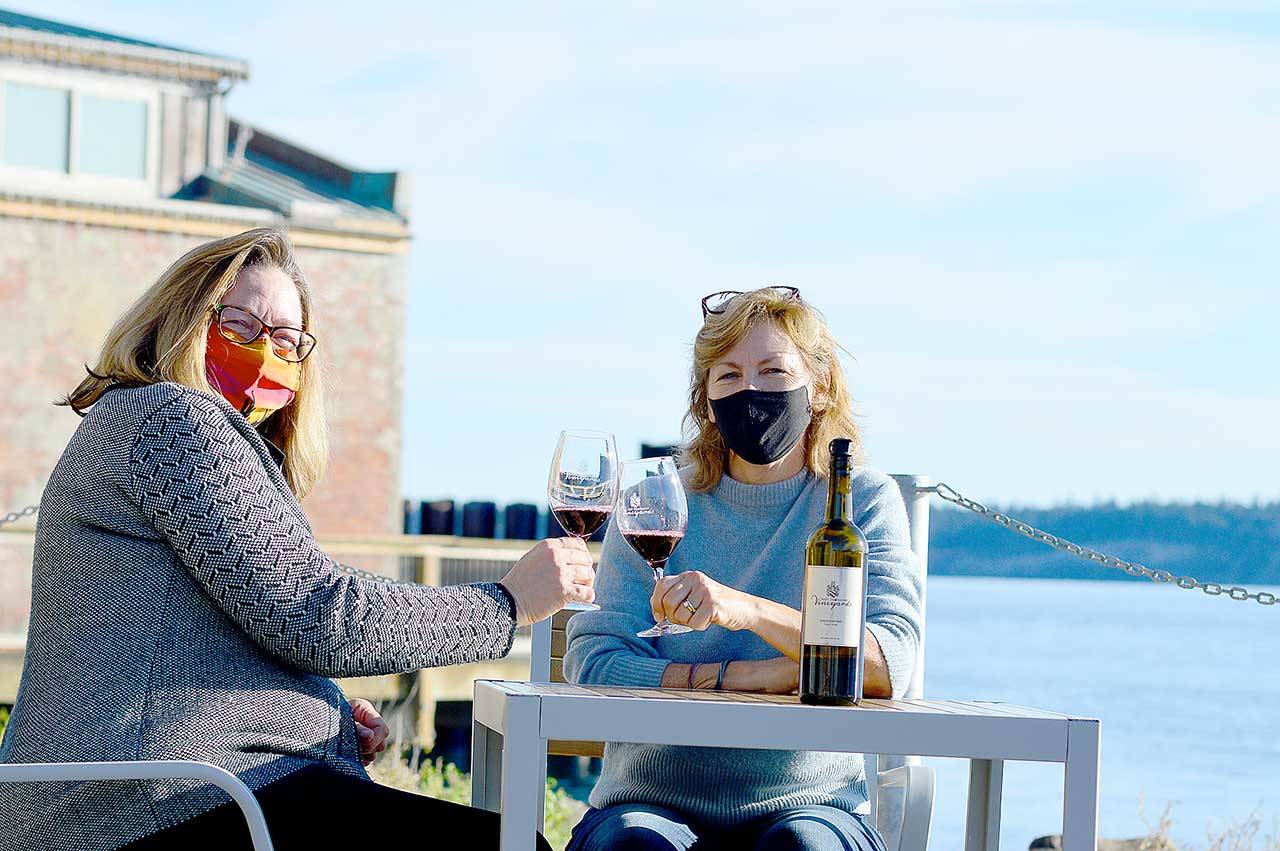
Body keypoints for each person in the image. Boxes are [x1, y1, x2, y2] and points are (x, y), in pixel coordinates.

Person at [0, 228, 589, 851]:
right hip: (155, 803)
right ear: (180, 324)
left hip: (125, 791)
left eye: (286, 340)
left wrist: (325, 714)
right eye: (239, 326)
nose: (265, 352)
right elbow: (316, 614)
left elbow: (205, 625)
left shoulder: (137, 421)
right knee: (512, 844)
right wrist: (508, 602)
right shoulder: (175, 420)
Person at [564, 286, 923, 851]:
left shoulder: (859, 503)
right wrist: (758, 677)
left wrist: (748, 611)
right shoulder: (656, 502)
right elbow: (594, 659)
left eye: (774, 371)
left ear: (820, 384)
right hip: (648, 800)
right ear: (705, 399)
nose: (751, 392)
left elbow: (886, 663)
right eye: (728, 376)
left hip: (813, 803)